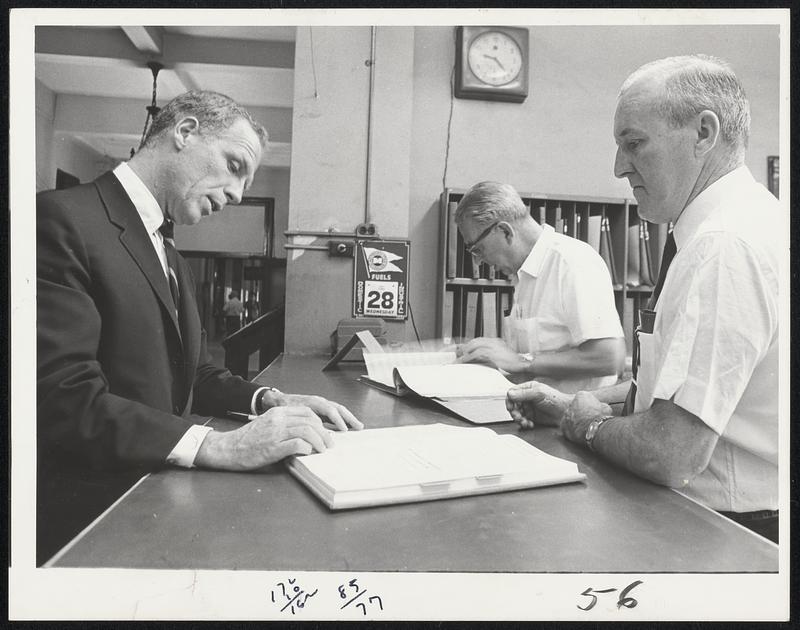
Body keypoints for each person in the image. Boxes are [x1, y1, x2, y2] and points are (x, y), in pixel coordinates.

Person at [37, 90, 363, 563]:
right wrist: (218, 445)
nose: (237, 194)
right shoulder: (59, 220)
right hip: (88, 521)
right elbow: (63, 400)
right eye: (234, 166)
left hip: (158, 505)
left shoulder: (169, 252)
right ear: (184, 133)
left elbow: (196, 375)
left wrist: (270, 399)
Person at [506, 55, 780, 543]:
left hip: (726, 532)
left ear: (704, 133)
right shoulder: (745, 223)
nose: (617, 167)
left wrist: (585, 424)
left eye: (634, 144)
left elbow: (670, 451)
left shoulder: (722, 247)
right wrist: (568, 402)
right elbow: (680, 387)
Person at [454, 181, 625, 393]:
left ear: (505, 231)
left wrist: (521, 361)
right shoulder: (523, 276)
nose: (478, 262)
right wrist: (495, 355)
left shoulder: (571, 262)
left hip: (572, 418)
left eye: (478, 249)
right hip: (539, 413)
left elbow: (610, 357)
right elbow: (539, 357)